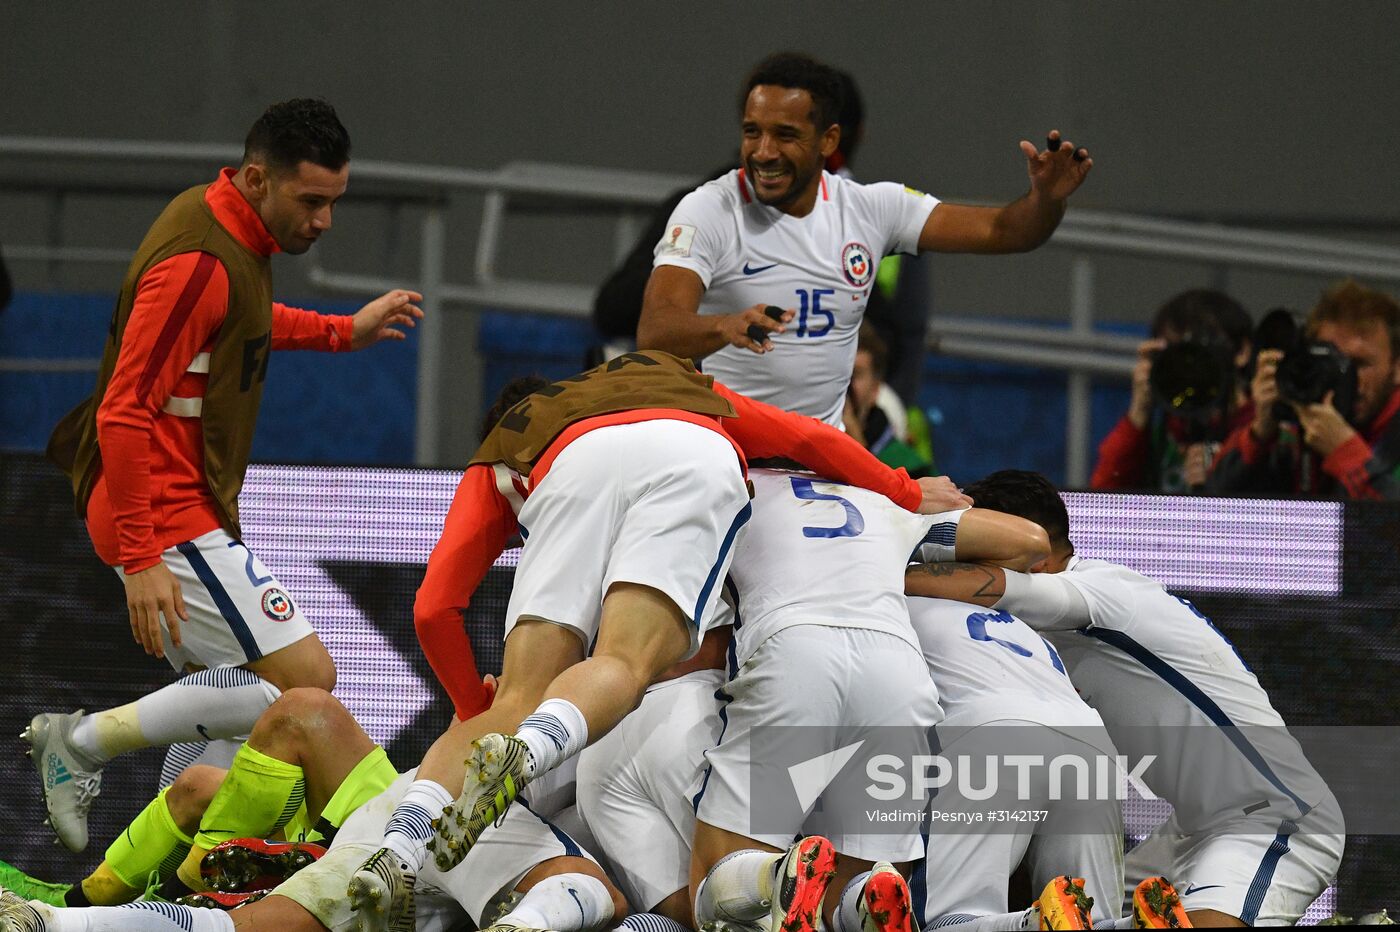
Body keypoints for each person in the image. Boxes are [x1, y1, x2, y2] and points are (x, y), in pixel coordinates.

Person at [344, 350, 973, 931]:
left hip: (573, 480)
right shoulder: (669, 381)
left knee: (520, 707)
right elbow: (809, 437)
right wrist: (906, 490)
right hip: (699, 475)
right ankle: (529, 752)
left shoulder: (505, 446)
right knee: (624, 660)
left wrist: (478, 707)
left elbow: (433, 609)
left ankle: (399, 849)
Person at [28, 98, 424, 854]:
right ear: (257, 178)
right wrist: (143, 555)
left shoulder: (229, 231)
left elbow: (244, 320)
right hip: (163, 512)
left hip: (172, 508)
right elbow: (123, 411)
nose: (324, 221)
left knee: (227, 709)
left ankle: (148, 870)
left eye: (334, 202)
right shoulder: (199, 262)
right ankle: (79, 742)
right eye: (311, 201)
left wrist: (344, 331)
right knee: (303, 681)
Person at [903, 470, 1345, 927]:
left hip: (1273, 816)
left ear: (1030, 552)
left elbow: (985, 584)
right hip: (1190, 828)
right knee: (1079, 914)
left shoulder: (1100, 591)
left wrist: (875, 565)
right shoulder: (1030, 629)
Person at [636, 51, 1092, 428]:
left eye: (785, 135)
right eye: (752, 132)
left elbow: (1006, 231)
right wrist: (724, 326)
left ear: (828, 140)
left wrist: (1046, 200)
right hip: (731, 455)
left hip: (826, 462)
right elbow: (655, 331)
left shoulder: (872, 208)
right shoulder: (707, 209)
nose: (764, 152)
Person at [688, 467, 1048, 932]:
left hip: (795, 655)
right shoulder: (882, 497)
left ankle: (776, 875)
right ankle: (862, 895)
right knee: (857, 900)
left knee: (718, 895)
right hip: (897, 671)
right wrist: (892, 559)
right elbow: (1029, 541)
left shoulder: (729, 479)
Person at [0, 687, 628, 932]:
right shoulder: (622, 678)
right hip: (437, 815)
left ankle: (59, 918)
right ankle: (89, 904)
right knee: (297, 710)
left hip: (411, 829)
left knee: (212, 775)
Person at [903, 595, 1129, 930]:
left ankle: (1032, 924)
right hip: (1090, 742)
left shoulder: (893, 605)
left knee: (947, 919)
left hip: (995, 729)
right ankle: (1131, 925)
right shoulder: (1024, 627)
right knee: (1088, 915)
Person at [1208, 280, 1400, 499]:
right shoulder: (1296, 425)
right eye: (1333, 362)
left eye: (1359, 364)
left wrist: (1346, 454)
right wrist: (1260, 433)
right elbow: (1214, 506)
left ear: (1396, 367)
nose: (1346, 377)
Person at [1091, 289, 1253, 492]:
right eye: (1178, 352)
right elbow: (1104, 496)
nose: (1190, 367)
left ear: (1241, 351)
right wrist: (1139, 412)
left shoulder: (1267, 432)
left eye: (1200, 349)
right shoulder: (1161, 436)